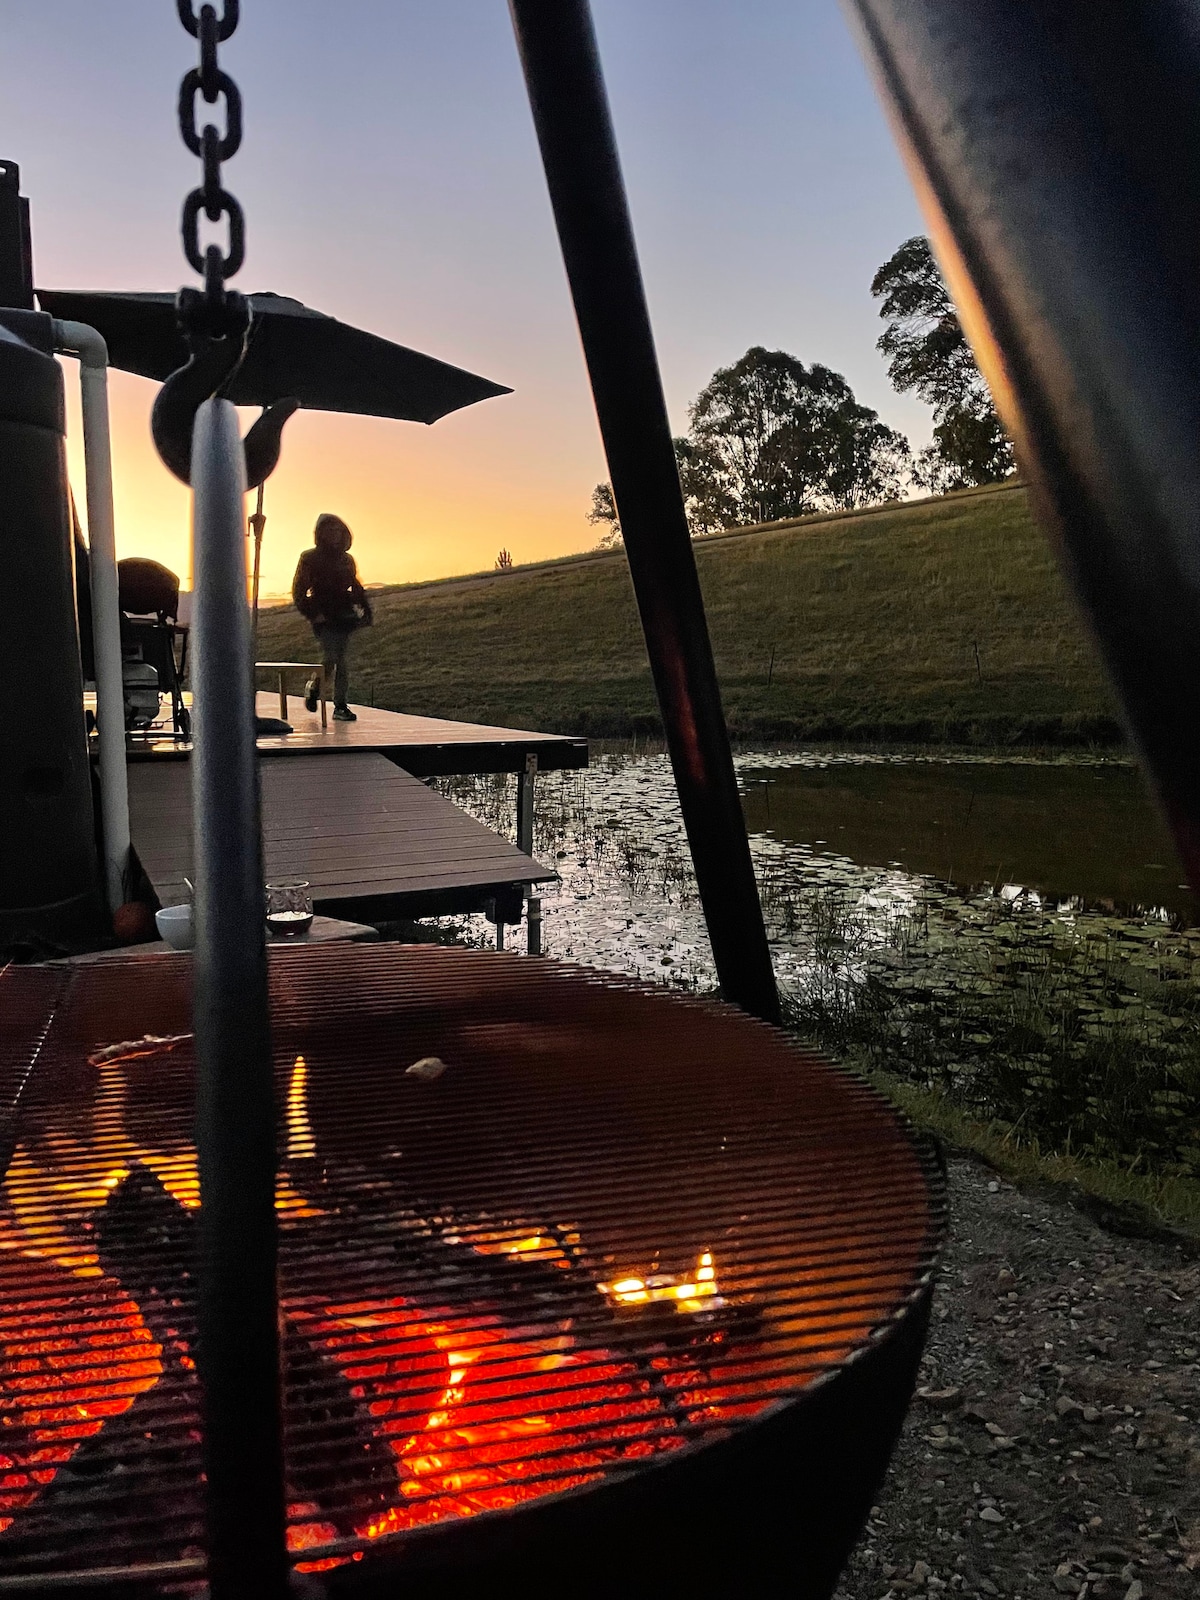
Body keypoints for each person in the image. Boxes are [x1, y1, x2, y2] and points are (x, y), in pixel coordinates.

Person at [291, 513, 373, 722]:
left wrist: (365, 610)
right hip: (324, 617)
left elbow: (354, 586)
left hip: (345, 615)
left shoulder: (346, 560)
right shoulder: (309, 557)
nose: (334, 535)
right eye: (329, 531)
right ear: (320, 534)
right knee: (330, 659)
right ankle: (315, 687)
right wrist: (313, 614)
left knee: (342, 662)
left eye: (337, 530)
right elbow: (299, 590)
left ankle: (340, 706)